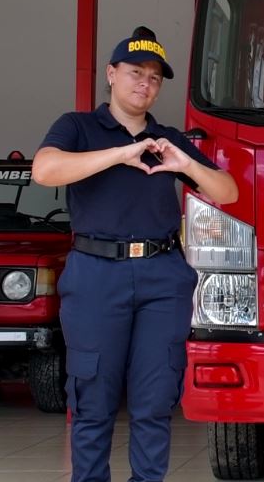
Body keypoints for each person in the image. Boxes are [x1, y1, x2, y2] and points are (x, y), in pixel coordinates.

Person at [32, 26, 237, 482]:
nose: (144, 83)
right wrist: (119, 154)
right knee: (92, 401)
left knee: (154, 400)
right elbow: (44, 169)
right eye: (134, 72)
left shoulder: (167, 139)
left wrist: (187, 164)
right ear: (111, 74)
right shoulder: (78, 126)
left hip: (161, 276)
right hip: (95, 274)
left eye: (154, 78)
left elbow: (229, 190)